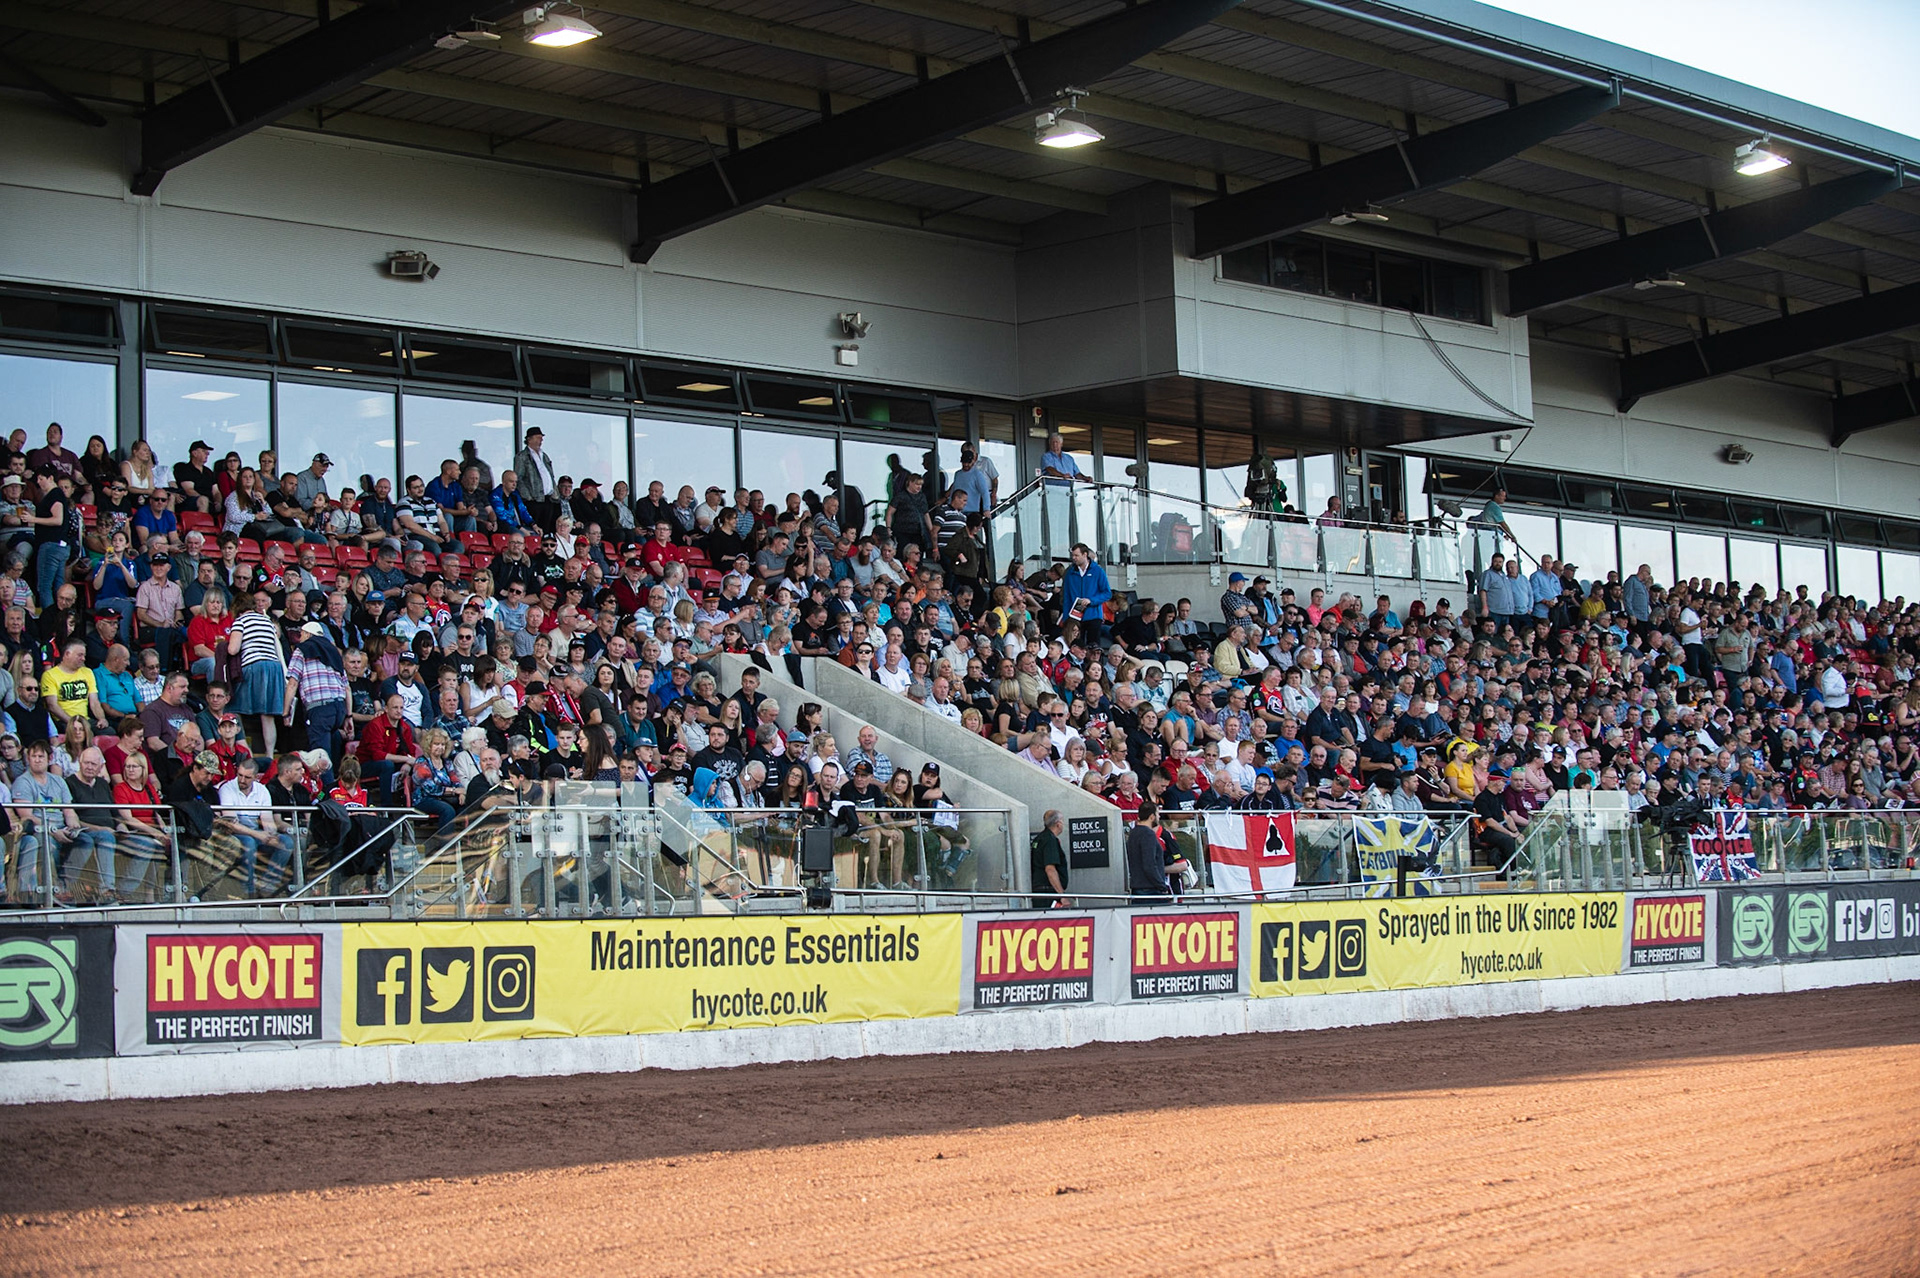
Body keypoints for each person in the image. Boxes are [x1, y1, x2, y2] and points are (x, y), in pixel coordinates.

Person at [1127, 800, 1170, 900]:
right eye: (1158, 814)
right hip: (1150, 890)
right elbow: (1149, 864)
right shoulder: (1148, 834)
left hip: (1138, 887)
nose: (1159, 817)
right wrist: (1161, 885)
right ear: (1152, 817)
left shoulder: (1133, 833)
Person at [1031, 807, 1070, 908]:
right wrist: (1062, 896)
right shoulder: (1050, 841)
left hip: (1040, 892)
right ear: (1058, 824)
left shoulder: (1039, 838)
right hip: (1047, 893)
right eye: (1062, 822)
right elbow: (1050, 869)